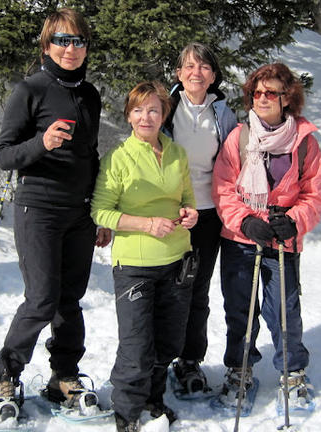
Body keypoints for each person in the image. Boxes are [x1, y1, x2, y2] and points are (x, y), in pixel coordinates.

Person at [0, 8, 111, 423]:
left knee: (70, 300)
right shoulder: (30, 90)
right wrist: (41, 142)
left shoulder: (89, 95)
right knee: (41, 299)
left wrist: (97, 212)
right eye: (62, 40)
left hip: (79, 213)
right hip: (37, 208)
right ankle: (4, 375)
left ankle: (64, 375)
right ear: (47, 45)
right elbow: (4, 154)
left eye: (78, 41)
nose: (70, 48)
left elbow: (90, 156)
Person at [211, 62, 321, 408]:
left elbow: (314, 195)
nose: (262, 98)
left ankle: (293, 373)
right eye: (257, 92)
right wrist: (245, 222)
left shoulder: (304, 143)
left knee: (283, 310)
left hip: (282, 240)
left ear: (286, 98)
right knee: (240, 309)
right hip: (240, 239)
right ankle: (240, 369)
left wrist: (293, 220)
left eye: (270, 92)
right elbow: (222, 187)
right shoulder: (240, 137)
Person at [91, 81, 199, 432]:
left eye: (153, 109)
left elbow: (187, 199)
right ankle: (126, 411)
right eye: (138, 110)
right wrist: (145, 224)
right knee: (137, 345)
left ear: (164, 114)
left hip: (177, 258)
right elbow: (100, 212)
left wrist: (189, 213)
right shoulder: (117, 158)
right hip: (135, 265)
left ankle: (154, 399)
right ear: (128, 115)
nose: (145, 116)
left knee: (169, 341)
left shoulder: (177, 154)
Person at [163, 42, 237, 394]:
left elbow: (235, 162)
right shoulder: (164, 108)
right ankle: (157, 358)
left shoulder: (223, 114)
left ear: (213, 75)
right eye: (190, 66)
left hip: (208, 214)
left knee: (197, 290)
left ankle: (190, 361)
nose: (197, 73)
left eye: (204, 67)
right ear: (179, 73)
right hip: (170, 213)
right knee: (164, 287)